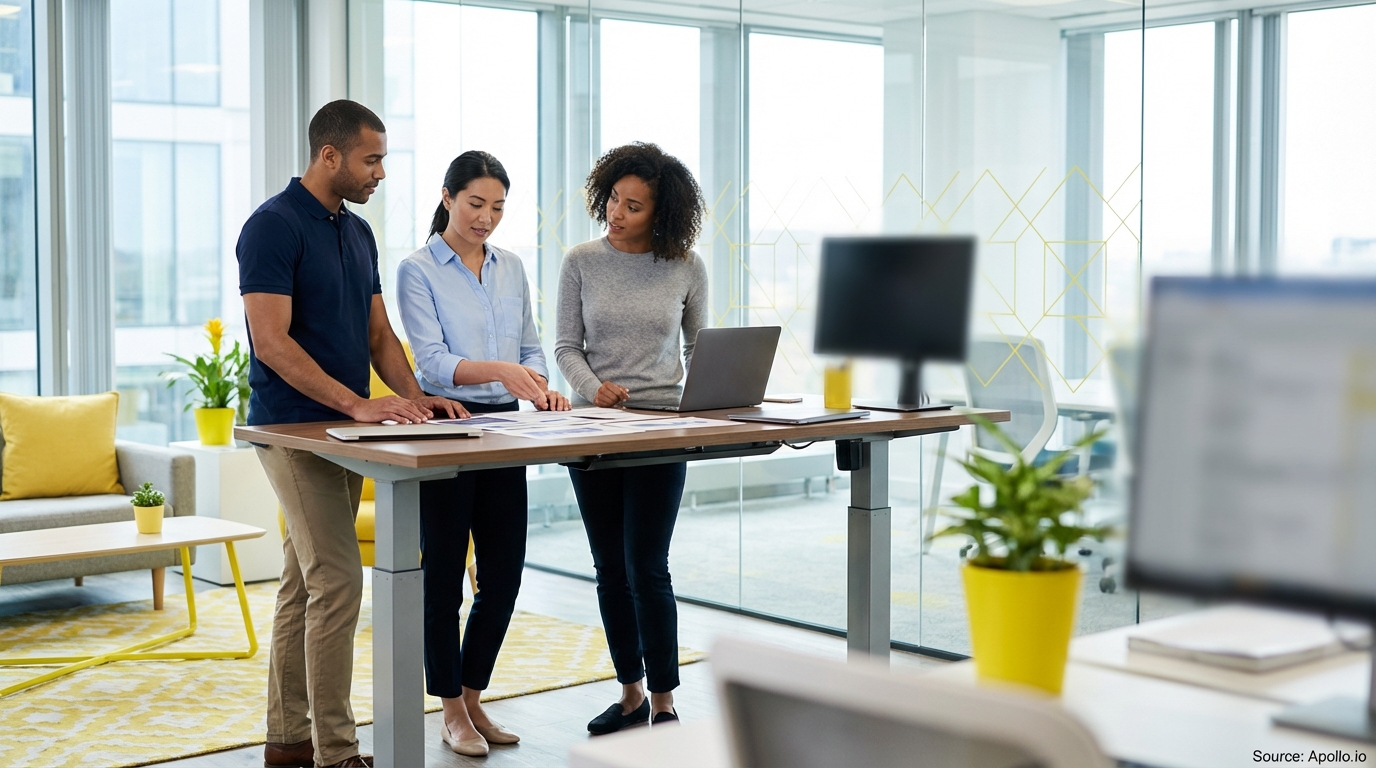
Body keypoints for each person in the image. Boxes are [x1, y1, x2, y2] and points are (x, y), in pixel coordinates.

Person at [238, 100, 466, 768]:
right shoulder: (272, 228)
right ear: (329, 155)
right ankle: (336, 754)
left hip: (343, 427)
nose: (381, 173)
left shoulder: (357, 233)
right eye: (372, 159)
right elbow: (271, 343)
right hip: (292, 430)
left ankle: (286, 741)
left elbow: (377, 335)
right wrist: (355, 405)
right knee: (337, 580)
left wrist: (415, 399)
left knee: (302, 583)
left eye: (384, 160)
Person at [396, 150, 570, 756]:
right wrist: (503, 372)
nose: (486, 217)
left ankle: (472, 696)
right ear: (447, 197)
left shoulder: (511, 267)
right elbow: (433, 363)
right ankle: (448, 708)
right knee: (443, 574)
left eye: (497, 207)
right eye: (475, 204)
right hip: (447, 424)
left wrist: (539, 387)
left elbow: (533, 347)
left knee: (503, 574)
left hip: (507, 431)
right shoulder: (417, 270)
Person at [555, 142, 708, 734]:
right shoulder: (581, 261)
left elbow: (700, 346)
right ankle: (630, 694)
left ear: (660, 213)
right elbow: (566, 346)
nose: (617, 213)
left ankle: (665, 699)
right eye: (614, 199)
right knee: (609, 568)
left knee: (648, 566)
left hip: (662, 428)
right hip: (593, 429)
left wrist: (708, 398)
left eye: (634, 206)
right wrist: (594, 389)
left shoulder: (686, 265)